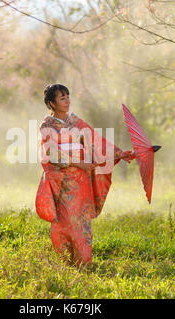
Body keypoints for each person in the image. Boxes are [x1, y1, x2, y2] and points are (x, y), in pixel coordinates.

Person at [36, 84, 135, 268]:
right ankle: (65, 263)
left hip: (81, 180)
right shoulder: (47, 125)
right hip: (62, 181)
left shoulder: (77, 122)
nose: (67, 101)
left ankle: (84, 263)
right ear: (52, 103)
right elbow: (50, 151)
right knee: (63, 221)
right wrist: (77, 163)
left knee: (81, 221)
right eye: (62, 98)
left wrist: (119, 153)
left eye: (68, 96)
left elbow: (96, 141)